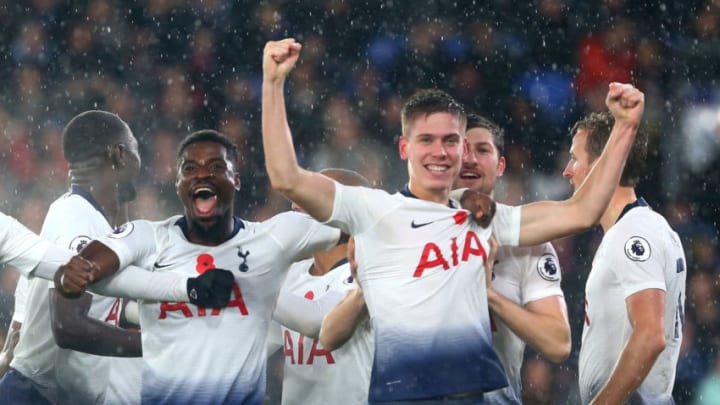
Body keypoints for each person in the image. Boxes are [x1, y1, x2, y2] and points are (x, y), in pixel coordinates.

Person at [261, 38, 643, 402]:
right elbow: (287, 178)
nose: (439, 152)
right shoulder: (373, 211)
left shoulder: (483, 218)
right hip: (400, 398)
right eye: (426, 140)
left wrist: (624, 126)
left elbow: (581, 212)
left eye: (449, 141)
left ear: (462, 148)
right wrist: (273, 84)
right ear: (404, 147)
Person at [54, 129, 341, 404]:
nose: (202, 174)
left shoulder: (274, 237)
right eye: (189, 169)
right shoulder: (148, 238)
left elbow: (361, 223)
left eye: (216, 167)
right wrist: (75, 273)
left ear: (236, 180)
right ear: (177, 182)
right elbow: (84, 268)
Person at [320, 114, 571, 404]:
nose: (470, 159)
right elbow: (330, 334)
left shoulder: (528, 248)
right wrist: (366, 288)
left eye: (483, 150)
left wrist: (487, 295)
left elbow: (557, 343)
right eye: (462, 149)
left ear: (501, 165)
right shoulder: (402, 231)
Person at [564, 111, 686, 404]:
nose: (568, 171)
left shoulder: (633, 233)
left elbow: (650, 336)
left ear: (605, 166)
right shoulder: (642, 227)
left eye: (575, 159)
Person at [267, 168, 374, 405]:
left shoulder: (367, 273)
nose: (295, 206)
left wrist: (249, 281)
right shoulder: (289, 276)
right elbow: (250, 346)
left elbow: (318, 320)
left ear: (349, 214)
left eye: (311, 197)